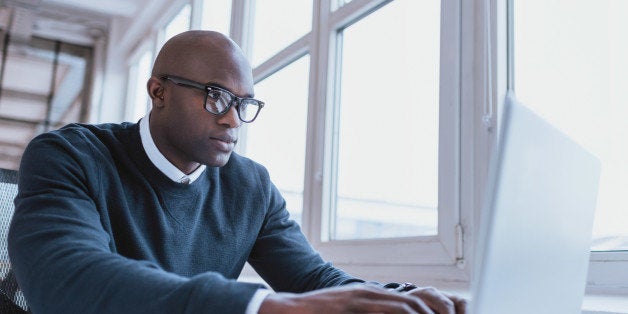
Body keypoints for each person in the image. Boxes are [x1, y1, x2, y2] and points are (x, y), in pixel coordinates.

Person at [8, 30, 467, 314]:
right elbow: (65, 281)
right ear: (158, 91)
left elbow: (313, 281)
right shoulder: (70, 155)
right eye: (216, 96)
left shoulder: (251, 187)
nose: (231, 119)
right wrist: (262, 306)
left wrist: (405, 299)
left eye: (244, 104)